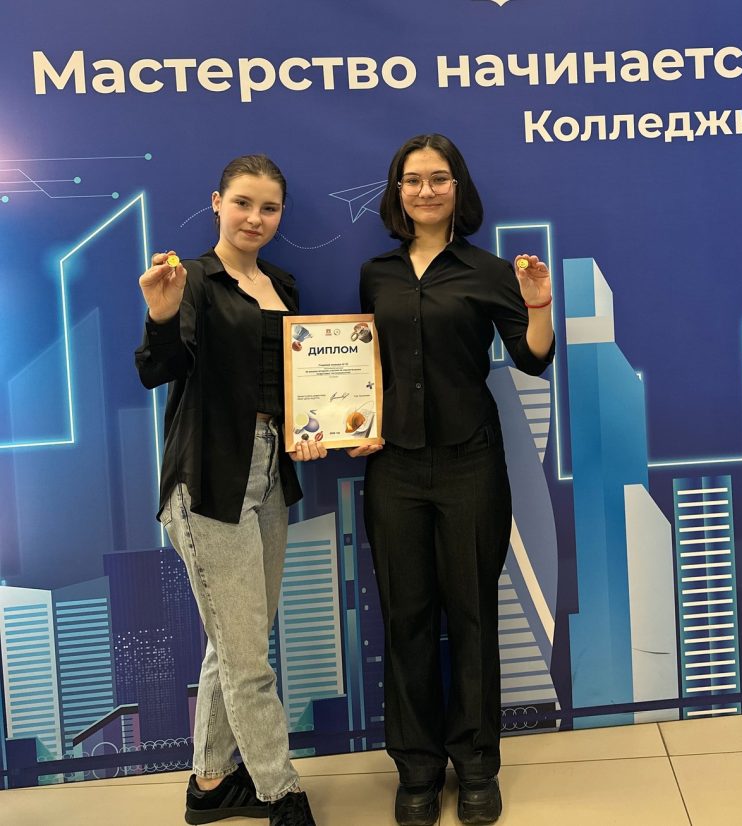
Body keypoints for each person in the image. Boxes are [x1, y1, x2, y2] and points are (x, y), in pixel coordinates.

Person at [349, 134, 555, 826]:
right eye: (413, 180)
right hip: (394, 467)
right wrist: (348, 421)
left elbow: (532, 360)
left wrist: (537, 305)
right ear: (397, 191)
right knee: (406, 619)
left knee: (471, 616)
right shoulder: (375, 273)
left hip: (470, 461)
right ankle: (415, 770)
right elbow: (361, 367)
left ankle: (475, 767)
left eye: (439, 179)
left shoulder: (490, 271)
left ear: (458, 189)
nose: (426, 190)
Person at [135, 154, 325, 826]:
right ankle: (281, 793)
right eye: (243, 202)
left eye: (268, 207)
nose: (254, 218)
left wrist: (313, 427)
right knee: (248, 659)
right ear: (217, 202)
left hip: (270, 473)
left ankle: (211, 784)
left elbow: (297, 380)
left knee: (237, 639)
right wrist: (161, 316)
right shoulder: (189, 280)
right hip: (209, 479)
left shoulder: (284, 284)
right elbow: (158, 370)